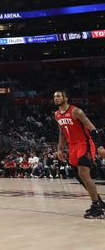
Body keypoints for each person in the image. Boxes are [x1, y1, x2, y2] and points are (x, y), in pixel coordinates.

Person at [53, 90, 105, 218]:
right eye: (54, 97)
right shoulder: (57, 115)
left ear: (65, 97)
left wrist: (100, 146)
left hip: (85, 144)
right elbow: (62, 133)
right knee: (78, 175)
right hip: (72, 147)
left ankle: (97, 208)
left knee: (83, 173)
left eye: (58, 96)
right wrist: (60, 149)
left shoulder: (76, 111)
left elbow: (92, 128)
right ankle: (99, 202)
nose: (56, 98)